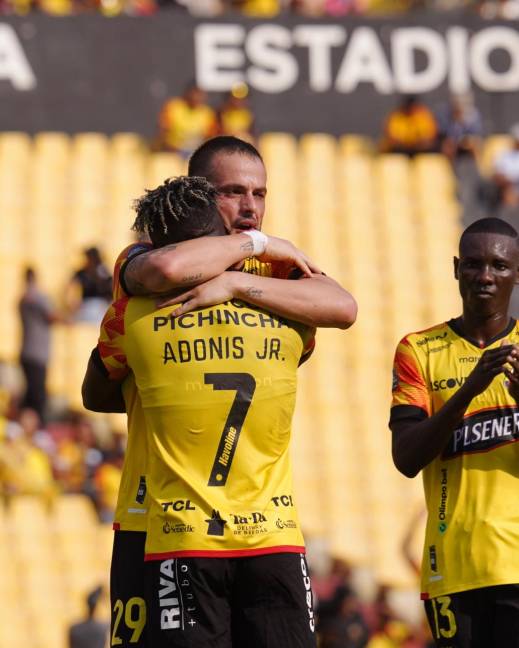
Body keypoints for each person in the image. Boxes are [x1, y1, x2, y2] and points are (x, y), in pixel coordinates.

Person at [83, 136, 357, 647]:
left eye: (260, 193)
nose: (251, 206)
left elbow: (342, 305)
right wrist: (262, 246)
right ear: (200, 196)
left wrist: (237, 284)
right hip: (154, 518)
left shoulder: (270, 276)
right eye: (234, 192)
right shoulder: (147, 262)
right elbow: (163, 273)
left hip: (254, 526)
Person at [390, 217, 519, 647]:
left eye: (499, 266)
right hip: (452, 569)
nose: (485, 276)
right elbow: (406, 458)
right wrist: (467, 392)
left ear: (517, 273)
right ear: (455, 269)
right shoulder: (418, 350)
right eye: (473, 264)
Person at [19, 266, 62, 421]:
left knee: (32, 393)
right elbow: (52, 316)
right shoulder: (36, 297)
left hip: (28, 351)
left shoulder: (23, 298)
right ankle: (35, 426)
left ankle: (25, 423)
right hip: (37, 353)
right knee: (37, 397)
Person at [157, 83, 217, 158]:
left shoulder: (208, 114)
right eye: (195, 93)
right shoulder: (173, 107)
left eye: (201, 94)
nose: (197, 97)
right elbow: (163, 132)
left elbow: (211, 138)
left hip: (195, 153)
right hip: (173, 152)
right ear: (188, 93)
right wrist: (173, 148)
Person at [66, 246, 112, 323]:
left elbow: (110, 288)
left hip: (101, 306)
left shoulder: (102, 270)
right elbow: (69, 287)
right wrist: (72, 304)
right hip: (85, 306)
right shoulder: (81, 272)